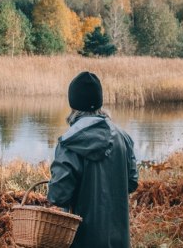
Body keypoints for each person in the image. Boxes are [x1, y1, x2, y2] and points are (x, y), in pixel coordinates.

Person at [47, 71, 139, 248]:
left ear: (73, 104)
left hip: (81, 240)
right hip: (118, 239)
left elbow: (58, 196)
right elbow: (132, 182)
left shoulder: (69, 142)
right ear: (99, 102)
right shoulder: (123, 137)